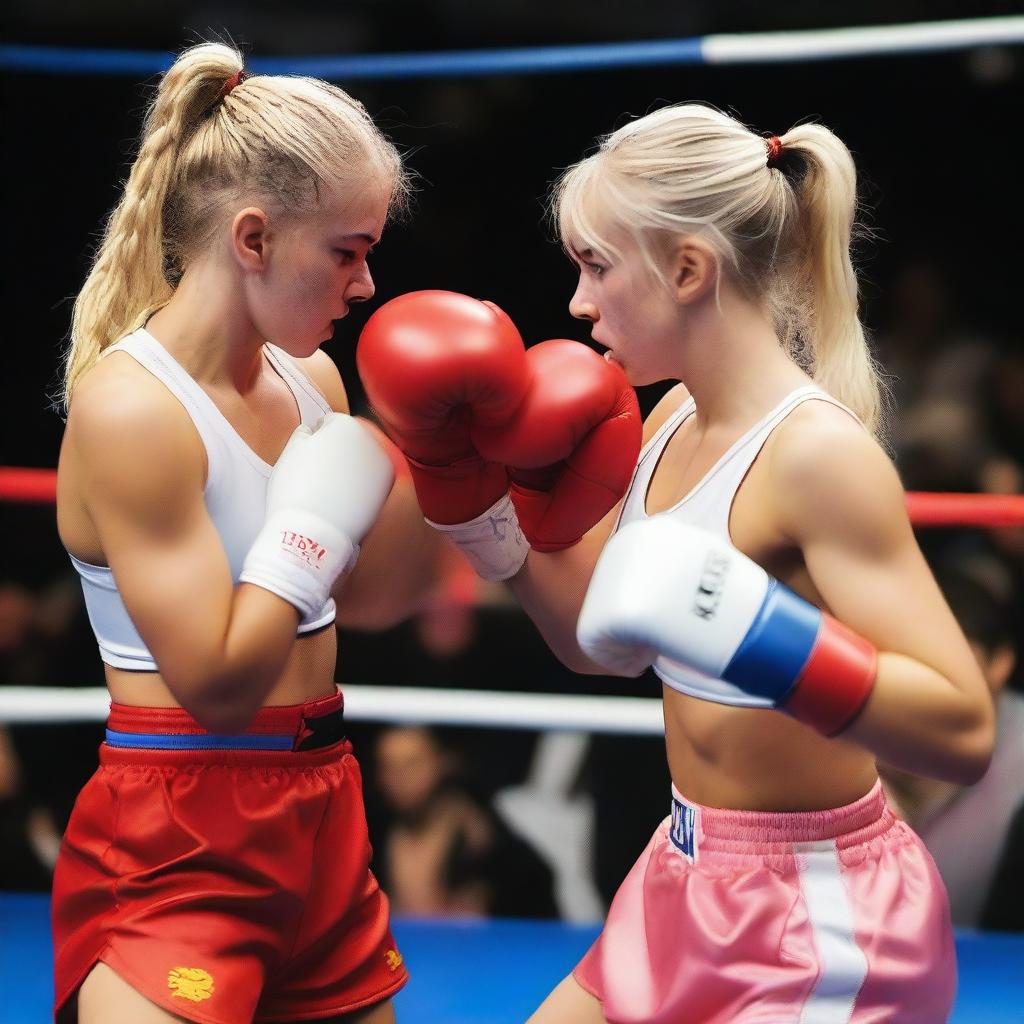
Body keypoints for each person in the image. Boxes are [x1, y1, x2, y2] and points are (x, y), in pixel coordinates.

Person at [357, 105, 996, 1023]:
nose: (578, 303)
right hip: (685, 870)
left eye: (598, 266)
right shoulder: (667, 427)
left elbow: (965, 730)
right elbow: (597, 644)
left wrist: (761, 636)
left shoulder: (817, 456)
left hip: (819, 913)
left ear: (689, 269)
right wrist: (479, 509)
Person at [52, 41, 439, 1024]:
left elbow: (383, 601)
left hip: (322, 803)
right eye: (346, 251)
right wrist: (308, 526)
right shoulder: (130, 408)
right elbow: (219, 686)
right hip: (181, 820)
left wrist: (442, 463)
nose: (364, 286)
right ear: (254, 238)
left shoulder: (311, 381)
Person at [881, 560, 1023, 931]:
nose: (933, 678)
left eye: (958, 660)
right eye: (915, 659)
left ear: (1001, 664)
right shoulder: (854, 726)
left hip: (998, 970)